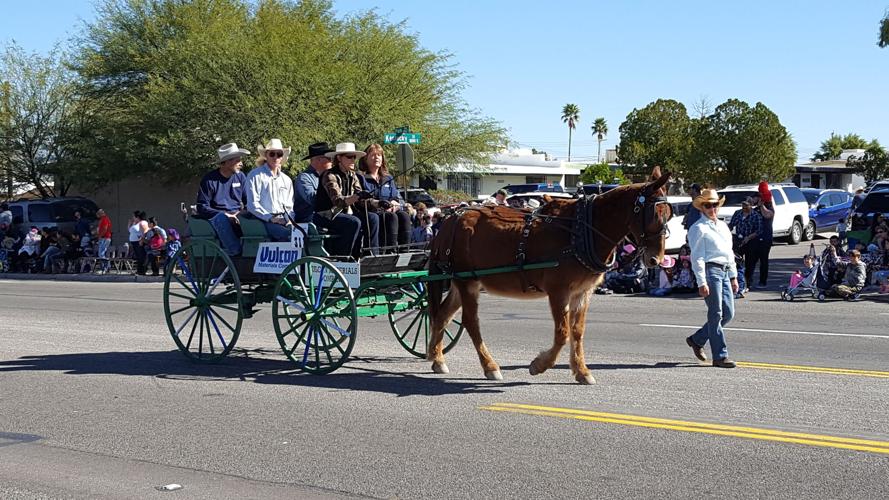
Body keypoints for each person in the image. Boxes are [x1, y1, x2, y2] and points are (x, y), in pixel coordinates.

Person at [685, 188, 739, 368]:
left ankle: (697, 339)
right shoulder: (698, 228)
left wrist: (733, 276)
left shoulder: (723, 226)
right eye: (708, 205)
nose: (712, 208)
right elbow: (697, 256)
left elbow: (729, 253)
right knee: (716, 313)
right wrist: (702, 281)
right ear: (702, 208)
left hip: (724, 270)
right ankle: (720, 356)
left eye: (714, 205)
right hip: (710, 270)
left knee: (728, 313)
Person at [293, 142, 361, 256]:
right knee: (351, 222)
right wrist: (334, 195)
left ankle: (359, 255)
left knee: (364, 219)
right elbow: (315, 201)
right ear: (318, 160)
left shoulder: (341, 175)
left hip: (333, 213)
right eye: (329, 159)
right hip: (310, 217)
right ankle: (342, 257)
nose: (332, 161)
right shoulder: (304, 178)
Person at [316, 142, 383, 257]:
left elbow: (361, 199)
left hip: (346, 214)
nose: (353, 160)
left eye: (354, 157)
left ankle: (371, 255)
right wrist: (355, 197)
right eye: (349, 157)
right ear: (339, 158)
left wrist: (378, 203)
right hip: (327, 215)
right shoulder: (329, 175)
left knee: (373, 218)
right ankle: (345, 257)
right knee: (353, 222)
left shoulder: (353, 175)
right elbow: (338, 201)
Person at [196, 143, 250, 255]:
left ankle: (254, 250)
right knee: (221, 218)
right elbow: (202, 207)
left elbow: (248, 201)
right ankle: (234, 251)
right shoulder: (209, 180)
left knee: (254, 215)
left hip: (236, 214)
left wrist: (241, 213)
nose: (241, 163)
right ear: (227, 162)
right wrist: (225, 215)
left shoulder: (241, 177)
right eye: (237, 160)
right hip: (217, 217)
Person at [358, 143, 412, 251]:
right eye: (373, 155)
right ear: (365, 159)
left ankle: (404, 252)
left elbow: (396, 198)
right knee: (391, 217)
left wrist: (395, 205)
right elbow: (360, 200)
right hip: (372, 213)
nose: (377, 157)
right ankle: (389, 251)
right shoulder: (360, 177)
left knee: (404, 216)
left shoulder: (388, 178)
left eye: (379, 155)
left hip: (389, 211)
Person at [246, 138, 295, 241]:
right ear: (266, 156)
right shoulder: (255, 176)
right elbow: (252, 205)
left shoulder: (286, 180)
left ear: (282, 157)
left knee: (304, 233)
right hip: (261, 220)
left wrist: (290, 220)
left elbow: (289, 206)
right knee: (287, 235)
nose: (276, 157)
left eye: (279, 154)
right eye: (272, 154)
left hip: (283, 219)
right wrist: (271, 218)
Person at [746, 187, 774, 289]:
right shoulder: (754, 209)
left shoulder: (769, 208)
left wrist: (761, 205)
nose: (754, 200)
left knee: (763, 260)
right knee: (750, 261)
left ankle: (763, 281)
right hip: (753, 238)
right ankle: (747, 281)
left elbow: (767, 215)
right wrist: (748, 204)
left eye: (755, 198)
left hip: (765, 238)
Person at [95, 208, 113, 273]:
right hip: (104, 238)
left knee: (101, 253)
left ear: (101, 214)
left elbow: (105, 229)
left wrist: (100, 236)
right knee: (102, 253)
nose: (97, 216)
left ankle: (104, 268)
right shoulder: (102, 220)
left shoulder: (105, 219)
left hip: (104, 238)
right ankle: (107, 267)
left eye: (98, 214)